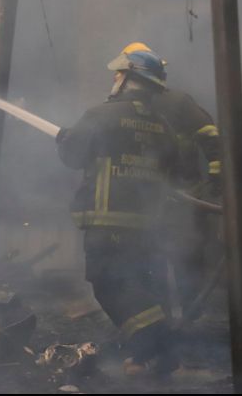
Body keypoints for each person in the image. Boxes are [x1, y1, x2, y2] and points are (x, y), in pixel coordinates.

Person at [56, 49, 178, 375]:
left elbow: (72, 156)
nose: (115, 78)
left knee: (109, 284)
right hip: (147, 225)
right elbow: (174, 167)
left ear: (128, 78)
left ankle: (157, 343)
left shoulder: (101, 115)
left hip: (107, 220)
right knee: (140, 284)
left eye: (119, 73)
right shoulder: (162, 125)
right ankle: (155, 355)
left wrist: (66, 139)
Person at [115, 42, 222, 316]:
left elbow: (209, 134)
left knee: (180, 251)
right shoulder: (126, 106)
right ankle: (171, 314)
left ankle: (182, 313)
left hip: (180, 191)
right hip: (152, 194)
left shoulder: (176, 102)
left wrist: (217, 173)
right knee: (160, 253)